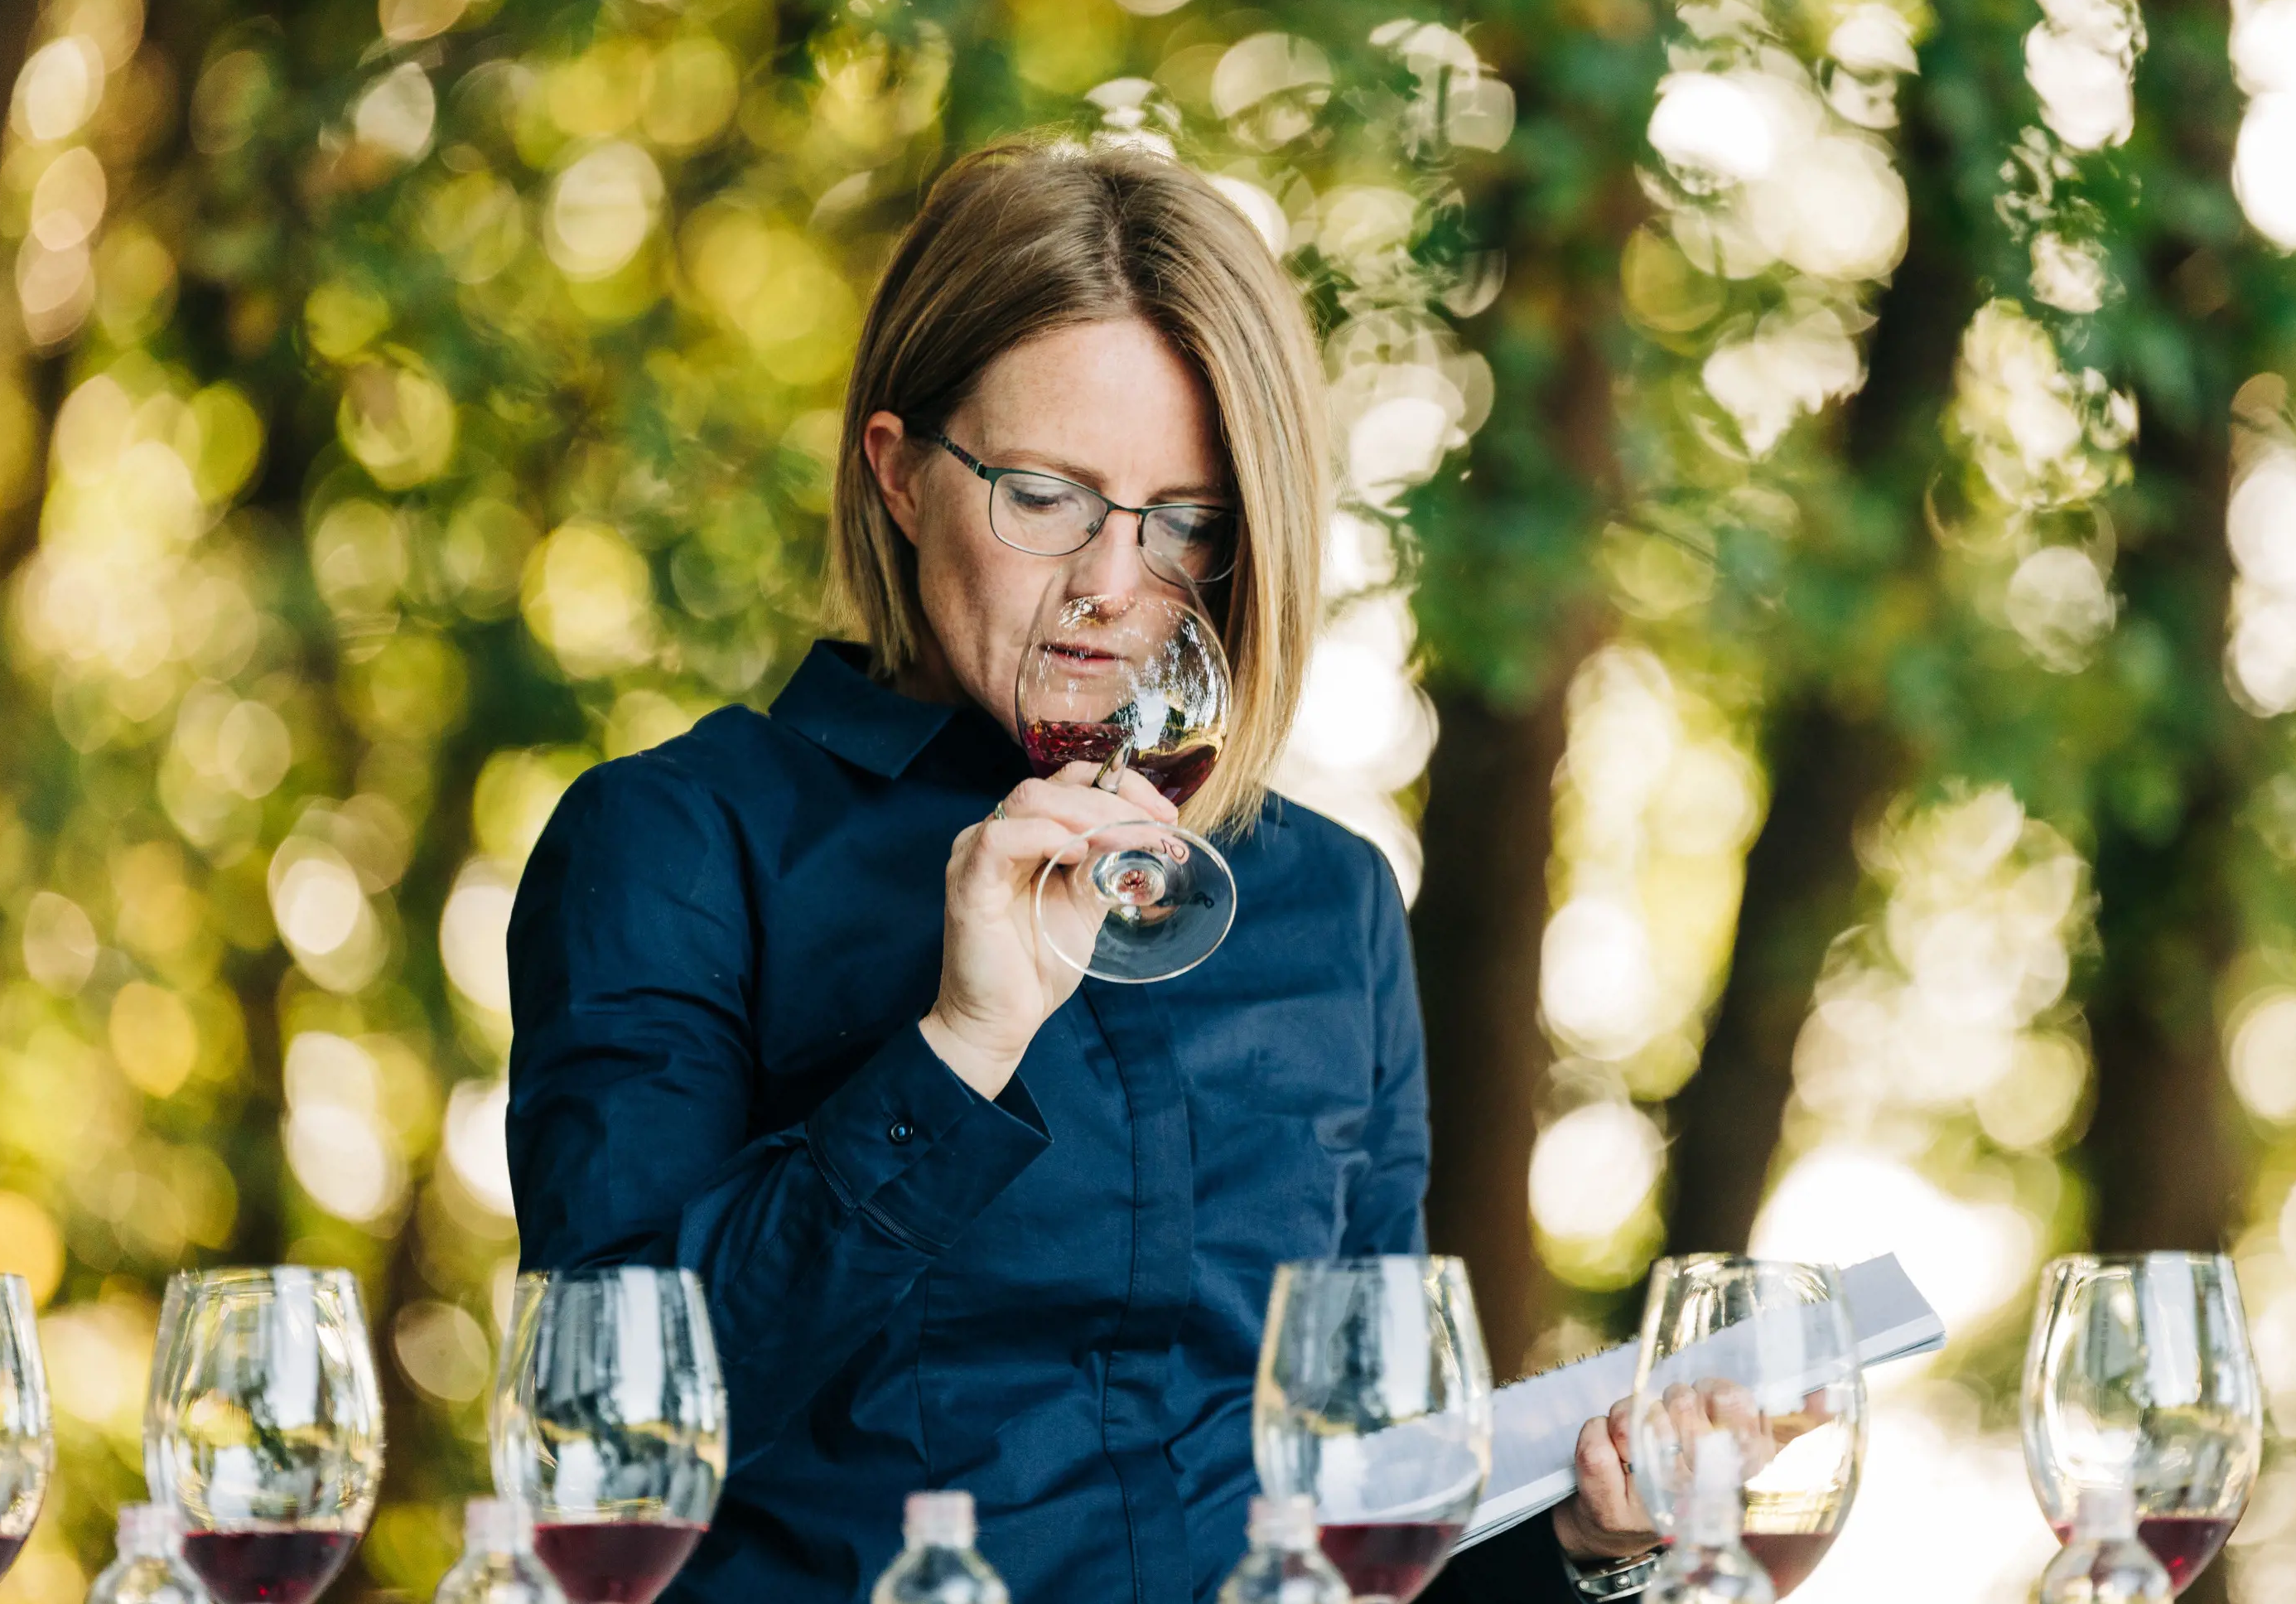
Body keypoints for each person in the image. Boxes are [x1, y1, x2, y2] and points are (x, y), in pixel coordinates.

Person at [505, 138, 1669, 1603]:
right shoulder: (675, 845)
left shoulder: (1329, 904)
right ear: (901, 476)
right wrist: (959, 1048)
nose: (1114, 586)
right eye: (1046, 495)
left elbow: (1378, 1530)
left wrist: (1583, 1544)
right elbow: (607, 1437)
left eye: (1185, 520)